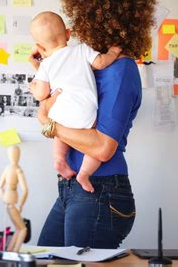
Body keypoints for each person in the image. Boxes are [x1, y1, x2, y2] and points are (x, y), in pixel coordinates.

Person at [35, 0, 155, 248]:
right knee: (42, 257)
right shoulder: (86, 63)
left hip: (101, 190)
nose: (77, 27)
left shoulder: (121, 70)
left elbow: (102, 146)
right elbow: (47, 101)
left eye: (83, 18)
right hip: (73, 188)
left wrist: (50, 125)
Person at [28, 11, 122, 193]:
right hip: (84, 112)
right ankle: (84, 174)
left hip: (59, 113)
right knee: (92, 135)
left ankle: (59, 159)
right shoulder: (81, 50)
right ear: (68, 34)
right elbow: (101, 63)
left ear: (39, 47)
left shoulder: (45, 65)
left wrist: (33, 85)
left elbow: (41, 94)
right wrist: (112, 52)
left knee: (61, 131)